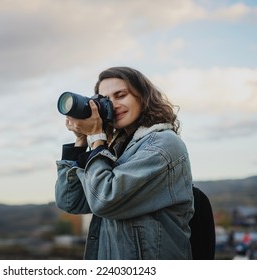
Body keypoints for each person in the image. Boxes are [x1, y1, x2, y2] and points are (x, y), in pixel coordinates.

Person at [55, 66, 194, 259]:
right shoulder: (116, 149)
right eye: (105, 100)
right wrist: (80, 142)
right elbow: (71, 201)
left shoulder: (162, 145)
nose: (113, 105)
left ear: (143, 97)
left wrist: (96, 137)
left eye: (120, 95)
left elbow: (104, 199)